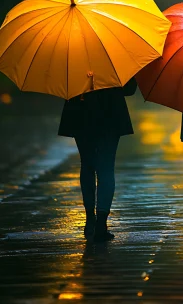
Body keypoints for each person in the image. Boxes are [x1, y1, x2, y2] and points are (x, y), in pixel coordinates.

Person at [58, 78, 138, 242]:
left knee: (87, 164)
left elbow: (62, 86)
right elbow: (129, 89)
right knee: (106, 167)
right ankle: (101, 222)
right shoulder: (116, 55)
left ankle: (90, 219)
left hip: (80, 111)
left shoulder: (72, 56)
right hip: (111, 112)